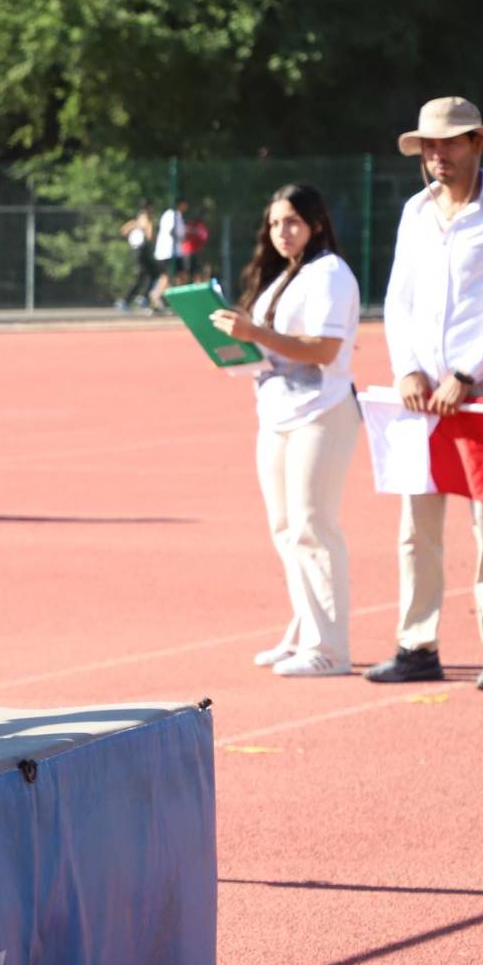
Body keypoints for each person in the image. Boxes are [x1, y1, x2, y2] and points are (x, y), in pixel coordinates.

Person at [368, 97, 483, 693]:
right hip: (417, 395)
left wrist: (465, 373)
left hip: (482, 387)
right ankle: (417, 643)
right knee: (416, 525)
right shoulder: (415, 212)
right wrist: (407, 369)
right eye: (427, 146)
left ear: (477, 145)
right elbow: (397, 299)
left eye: (448, 143)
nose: (436, 155)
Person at [209, 185, 361, 678]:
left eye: (292, 221)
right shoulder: (279, 281)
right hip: (275, 413)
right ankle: (303, 632)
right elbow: (269, 350)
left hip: (322, 411)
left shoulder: (330, 273)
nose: (282, 232)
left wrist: (254, 334)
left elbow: (322, 350)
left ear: (315, 223)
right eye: (275, 223)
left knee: (312, 527)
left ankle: (331, 649)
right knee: (284, 529)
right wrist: (232, 348)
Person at [149, 196, 187, 312]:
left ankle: (171, 299)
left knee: (178, 276)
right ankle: (156, 296)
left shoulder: (176, 215)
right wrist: (181, 236)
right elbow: (172, 231)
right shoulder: (172, 215)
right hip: (168, 252)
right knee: (167, 277)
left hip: (173, 252)